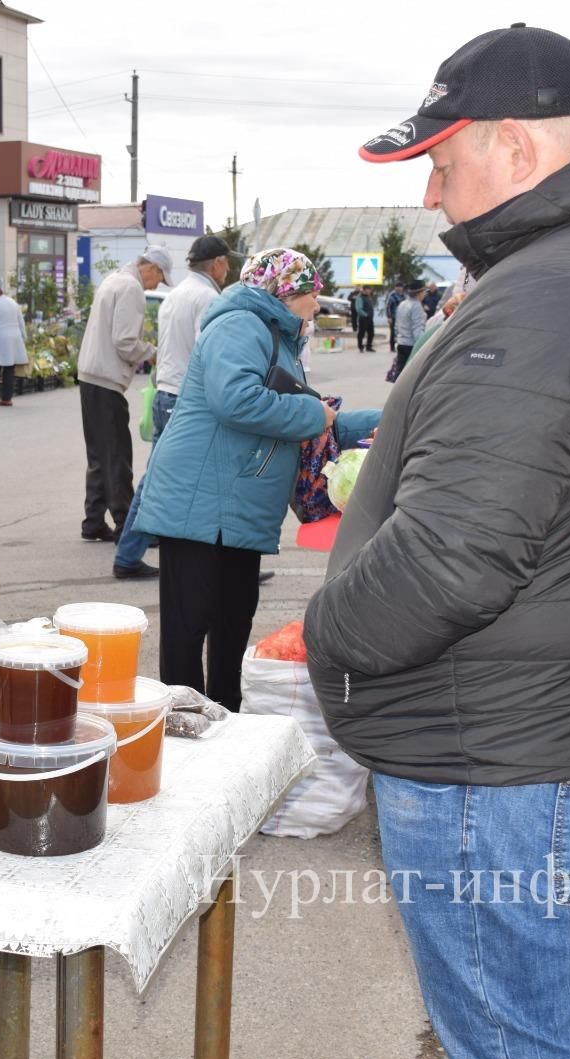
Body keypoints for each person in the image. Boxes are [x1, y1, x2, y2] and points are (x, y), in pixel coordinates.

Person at [305, 23, 570, 1059]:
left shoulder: (551, 289)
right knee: (522, 1030)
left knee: (510, 1042)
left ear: (514, 147)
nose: (429, 196)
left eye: (441, 165)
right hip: (553, 723)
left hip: (492, 755)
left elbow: (453, 557)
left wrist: (326, 639)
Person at [133, 248, 377, 712]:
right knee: (190, 629)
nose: (317, 304)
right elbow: (236, 399)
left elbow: (313, 415)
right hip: (200, 503)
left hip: (238, 506)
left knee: (231, 622)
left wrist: (390, 419)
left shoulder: (277, 334)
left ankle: (223, 719)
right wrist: (313, 412)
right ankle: (182, 725)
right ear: (288, 291)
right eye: (313, 293)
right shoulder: (240, 324)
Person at [77, 246, 170, 579]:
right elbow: (126, 341)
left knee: (99, 453)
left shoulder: (114, 280)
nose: (156, 285)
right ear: (152, 268)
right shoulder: (131, 287)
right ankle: (123, 524)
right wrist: (155, 353)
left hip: (90, 375)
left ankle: (93, 520)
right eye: (159, 277)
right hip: (106, 377)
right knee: (117, 454)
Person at [151, 234, 230, 438]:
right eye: (227, 262)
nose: (228, 269)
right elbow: (206, 353)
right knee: (188, 468)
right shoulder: (208, 297)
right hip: (184, 399)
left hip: (162, 394)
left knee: (160, 468)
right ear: (217, 263)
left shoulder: (174, 295)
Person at [0, 281, 28, 407]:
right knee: (9, 369)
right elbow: (21, 322)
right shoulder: (12, 302)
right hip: (15, 338)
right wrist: (23, 338)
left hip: (0, 339)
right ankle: (7, 398)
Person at [391, 279, 427, 378]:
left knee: (401, 375)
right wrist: (423, 345)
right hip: (411, 345)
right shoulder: (416, 306)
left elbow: (396, 326)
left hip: (401, 342)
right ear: (419, 293)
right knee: (411, 376)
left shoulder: (402, 304)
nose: (425, 294)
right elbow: (417, 330)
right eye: (424, 292)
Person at [353, 285, 377, 351]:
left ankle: (368, 347)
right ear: (364, 290)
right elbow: (358, 309)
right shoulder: (360, 297)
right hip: (363, 318)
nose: (370, 291)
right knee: (361, 333)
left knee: (371, 333)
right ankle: (360, 346)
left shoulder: (368, 297)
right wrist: (365, 315)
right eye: (369, 289)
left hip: (370, 318)